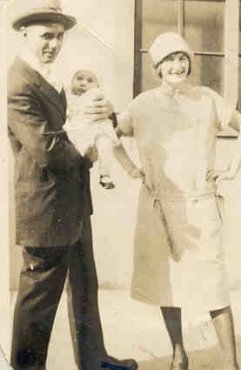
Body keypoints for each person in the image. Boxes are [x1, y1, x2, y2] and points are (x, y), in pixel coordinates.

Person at [7, 1, 137, 369]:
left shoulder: (46, 75)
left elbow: (76, 119)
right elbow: (48, 149)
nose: (54, 43)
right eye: (46, 35)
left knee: (84, 288)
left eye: (60, 36)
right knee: (39, 300)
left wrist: (106, 113)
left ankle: (94, 362)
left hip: (72, 204)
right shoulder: (18, 82)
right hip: (47, 210)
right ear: (25, 33)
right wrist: (90, 152)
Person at [115, 32, 241, 370]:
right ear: (157, 67)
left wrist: (232, 168)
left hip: (200, 206)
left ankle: (230, 364)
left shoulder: (207, 99)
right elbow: (109, 136)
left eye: (182, 59)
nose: (176, 66)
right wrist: (132, 169)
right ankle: (179, 354)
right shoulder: (141, 104)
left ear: (189, 64)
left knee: (214, 289)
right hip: (159, 206)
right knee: (167, 287)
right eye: (168, 60)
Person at [66, 69, 142, 189]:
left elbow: (100, 102)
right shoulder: (66, 96)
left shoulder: (95, 95)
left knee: (107, 145)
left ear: (97, 85)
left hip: (96, 129)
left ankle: (105, 174)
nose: (83, 83)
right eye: (79, 78)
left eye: (90, 81)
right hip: (75, 132)